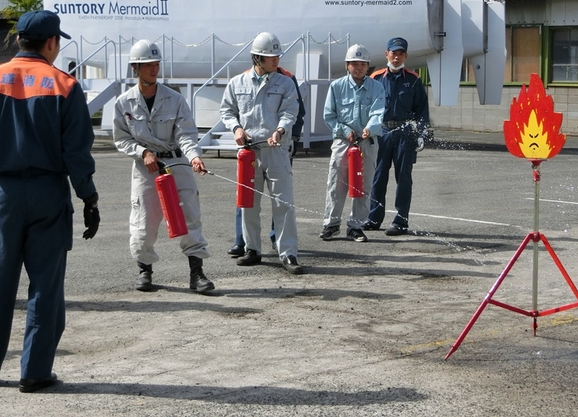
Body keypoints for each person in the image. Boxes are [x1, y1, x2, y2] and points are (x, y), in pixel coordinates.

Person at [0, 10, 100, 393]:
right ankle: (35, 371)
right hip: (47, 193)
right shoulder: (64, 84)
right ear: (51, 43)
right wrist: (88, 197)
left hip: (3, 194)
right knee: (45, 286)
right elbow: (76, 149)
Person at [113, 39, 214, 294]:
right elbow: (122, 138)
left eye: (156, 63)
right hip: (146, 168)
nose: (154, 69)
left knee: (190, 217)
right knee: (144, 222)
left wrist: (194, 157)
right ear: (135, 68)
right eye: (148, 64)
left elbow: (186, 134)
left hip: (177, 163)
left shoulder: (175, 99)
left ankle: (197, 273)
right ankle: (145, 270)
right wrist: (143, 152)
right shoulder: (124, 103)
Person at [220, 31, 303, 274]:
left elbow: (291, 112)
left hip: (276, 149)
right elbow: (227, 111)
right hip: (248, 152)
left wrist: (280, 130)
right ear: (257, 58)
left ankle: (288, 253)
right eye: (270, 57)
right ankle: (252, 249)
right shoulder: (237, 83)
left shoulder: (285, 83)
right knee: (248, 204)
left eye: (277, 55)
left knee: (283, 203)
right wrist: (235, 128)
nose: (276, 60)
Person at [364, 37, 429, 236]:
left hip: (405, 133)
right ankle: (374, 217)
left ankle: (401, 221)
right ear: (386, 54)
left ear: (405, 56)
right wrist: (364, 129)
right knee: (378, 176)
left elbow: (421, 109)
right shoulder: (375, 78)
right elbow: (366, 106)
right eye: (393, 52)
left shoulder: (413, 79)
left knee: (404, 178)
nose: (396, 56)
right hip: (381, 132)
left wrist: (421, 133)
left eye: (401, 53)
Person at [319, 44, 385, 242]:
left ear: (368, 66)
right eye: (354, 64)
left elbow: (378, 112)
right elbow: (329, 116)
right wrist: (345, 131)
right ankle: (331, 224)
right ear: (347, 65)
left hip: (367, 143)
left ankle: (356, 226)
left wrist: (369, 129)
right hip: (342, 143)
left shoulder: (377, 87)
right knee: (336, 184)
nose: (359, 68)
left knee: (363, 185)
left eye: (363, 64)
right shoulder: (336, 87)